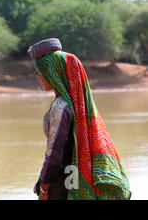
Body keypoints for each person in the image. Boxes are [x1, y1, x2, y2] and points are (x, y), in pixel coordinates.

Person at [29, 38, 131, 200]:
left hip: (62, 184)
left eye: (41, 73)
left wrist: (44, 187)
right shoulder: (78, 105)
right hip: (77, 178)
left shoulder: (60, 107)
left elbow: (54, 153)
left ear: (53, 74)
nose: (39, 78)